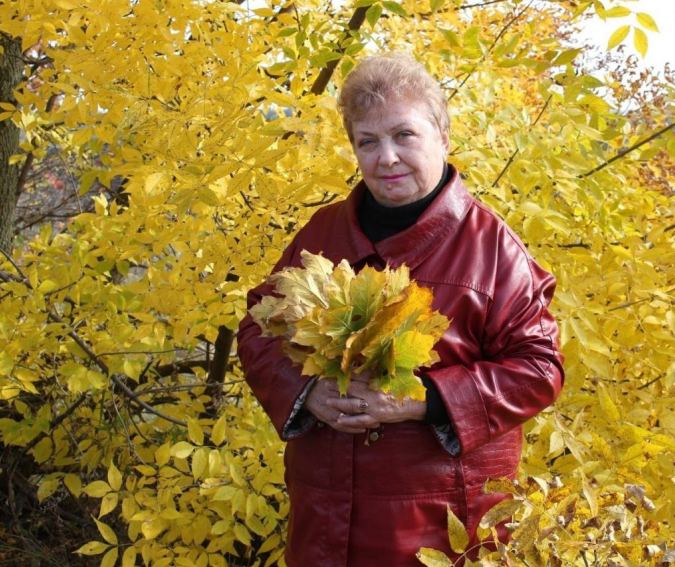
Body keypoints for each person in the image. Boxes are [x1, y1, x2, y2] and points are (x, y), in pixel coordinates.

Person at [237, 52, 564, 567]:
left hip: (438, 525)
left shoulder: (494, 250)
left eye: (404, 135)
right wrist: (307, 393)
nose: (386, 157)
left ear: (443, 137)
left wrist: (419, 400)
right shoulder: (322, 234)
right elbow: (258, 328)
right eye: (368, 141)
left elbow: (538, 370)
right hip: (323, 518)